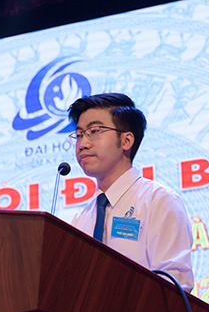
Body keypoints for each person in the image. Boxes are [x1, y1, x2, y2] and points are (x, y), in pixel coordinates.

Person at [68, 92, 194, 291]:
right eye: (79, 135)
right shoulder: (80, 219)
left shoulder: (159, 201)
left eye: (94, 131)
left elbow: (175, 285)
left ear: (126, 141)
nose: (82, 144)